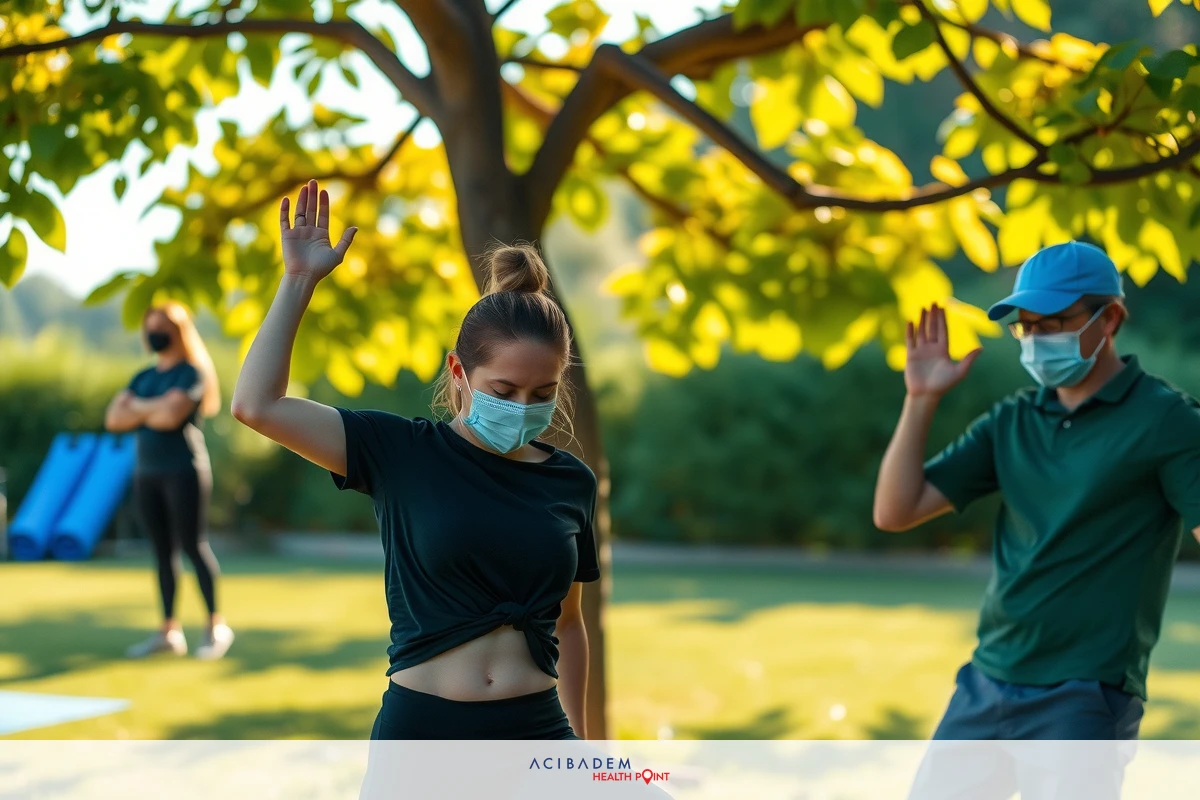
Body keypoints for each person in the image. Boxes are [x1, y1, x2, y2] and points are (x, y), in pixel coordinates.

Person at [231, 179, 600, 740]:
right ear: (459, 372)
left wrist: (584, 751)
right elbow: (256, 406)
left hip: (538, 730)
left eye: (542, 393)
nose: (523, 407)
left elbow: (569, 625)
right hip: (424, 730)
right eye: (503, 391)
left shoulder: (571, 482)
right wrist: (299, 279)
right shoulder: (399, 452)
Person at [875, 241, 1200, 795]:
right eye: (1025, 327)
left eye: (1053, 324)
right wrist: (920, 398)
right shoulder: (1012, 421)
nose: (1036, 339)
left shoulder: (1167, 421)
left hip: (1085, 695)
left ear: (1109, 319)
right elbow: (895, 511)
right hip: (987, 680)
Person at [104, 301, 233, 660]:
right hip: (147, 474)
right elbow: (114, 419)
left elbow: (170, 418)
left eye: (162, 326)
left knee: (193, 545)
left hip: (183, 471)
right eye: (150, 326)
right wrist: (156, 406)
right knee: (162, 552)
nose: (154, 333)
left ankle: (215, 626)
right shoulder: (143, 377)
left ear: (178, 332)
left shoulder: (191, 374)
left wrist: (138, 409)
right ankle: (168, 633)